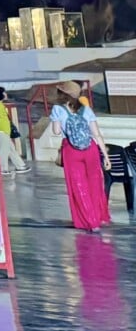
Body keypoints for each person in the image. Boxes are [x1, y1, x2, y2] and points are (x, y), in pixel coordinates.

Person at [51, 80, 111, 232]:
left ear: (62, 94)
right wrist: (106, 156)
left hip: (71, 151)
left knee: (79, 187)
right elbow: (96, 134)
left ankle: (91, 222)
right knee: (95, 184)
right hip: (90, 149)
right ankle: (99, 217)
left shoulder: (58, 109)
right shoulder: (86, 110)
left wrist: (57, 122)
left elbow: (56, 132)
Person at [0, 85, 25, 176]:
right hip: (1, 130)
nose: (5, 94)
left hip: (4, 131)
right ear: (0, 94)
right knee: (3, 150)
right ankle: (2, 168)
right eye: (4, 92)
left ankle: (20, 166)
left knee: (11, 149)